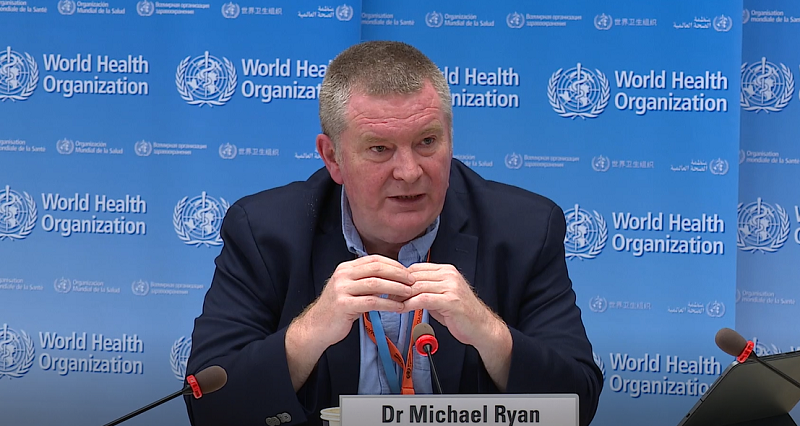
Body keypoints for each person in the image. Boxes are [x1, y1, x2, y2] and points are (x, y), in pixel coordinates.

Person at [185, 41, 602, 426]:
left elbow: (576, 408)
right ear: (333, 157)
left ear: (450, 139)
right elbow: (208, 408)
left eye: (427, 141)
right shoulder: (265, 232)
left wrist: (490, 334)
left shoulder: (524, 230)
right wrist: (308, 333)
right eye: (380, 149)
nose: (409, 171)